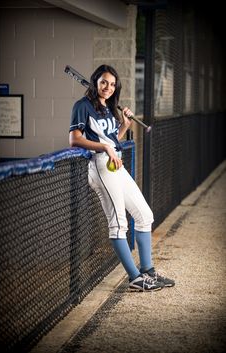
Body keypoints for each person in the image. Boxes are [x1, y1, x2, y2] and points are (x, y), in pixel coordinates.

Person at [69, 64, 175, 291]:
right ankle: (135, 278)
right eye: (104, 82)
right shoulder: (82, 106)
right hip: (101, 165)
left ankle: (148, 272)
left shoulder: (107, 107)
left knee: (145, 215)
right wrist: (105, 148)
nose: (108, 87)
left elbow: (113, 139)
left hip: (115, 163)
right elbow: (74, 139)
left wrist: (125, 125)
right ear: (96, 81)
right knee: (118, 224)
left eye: (112, 84)